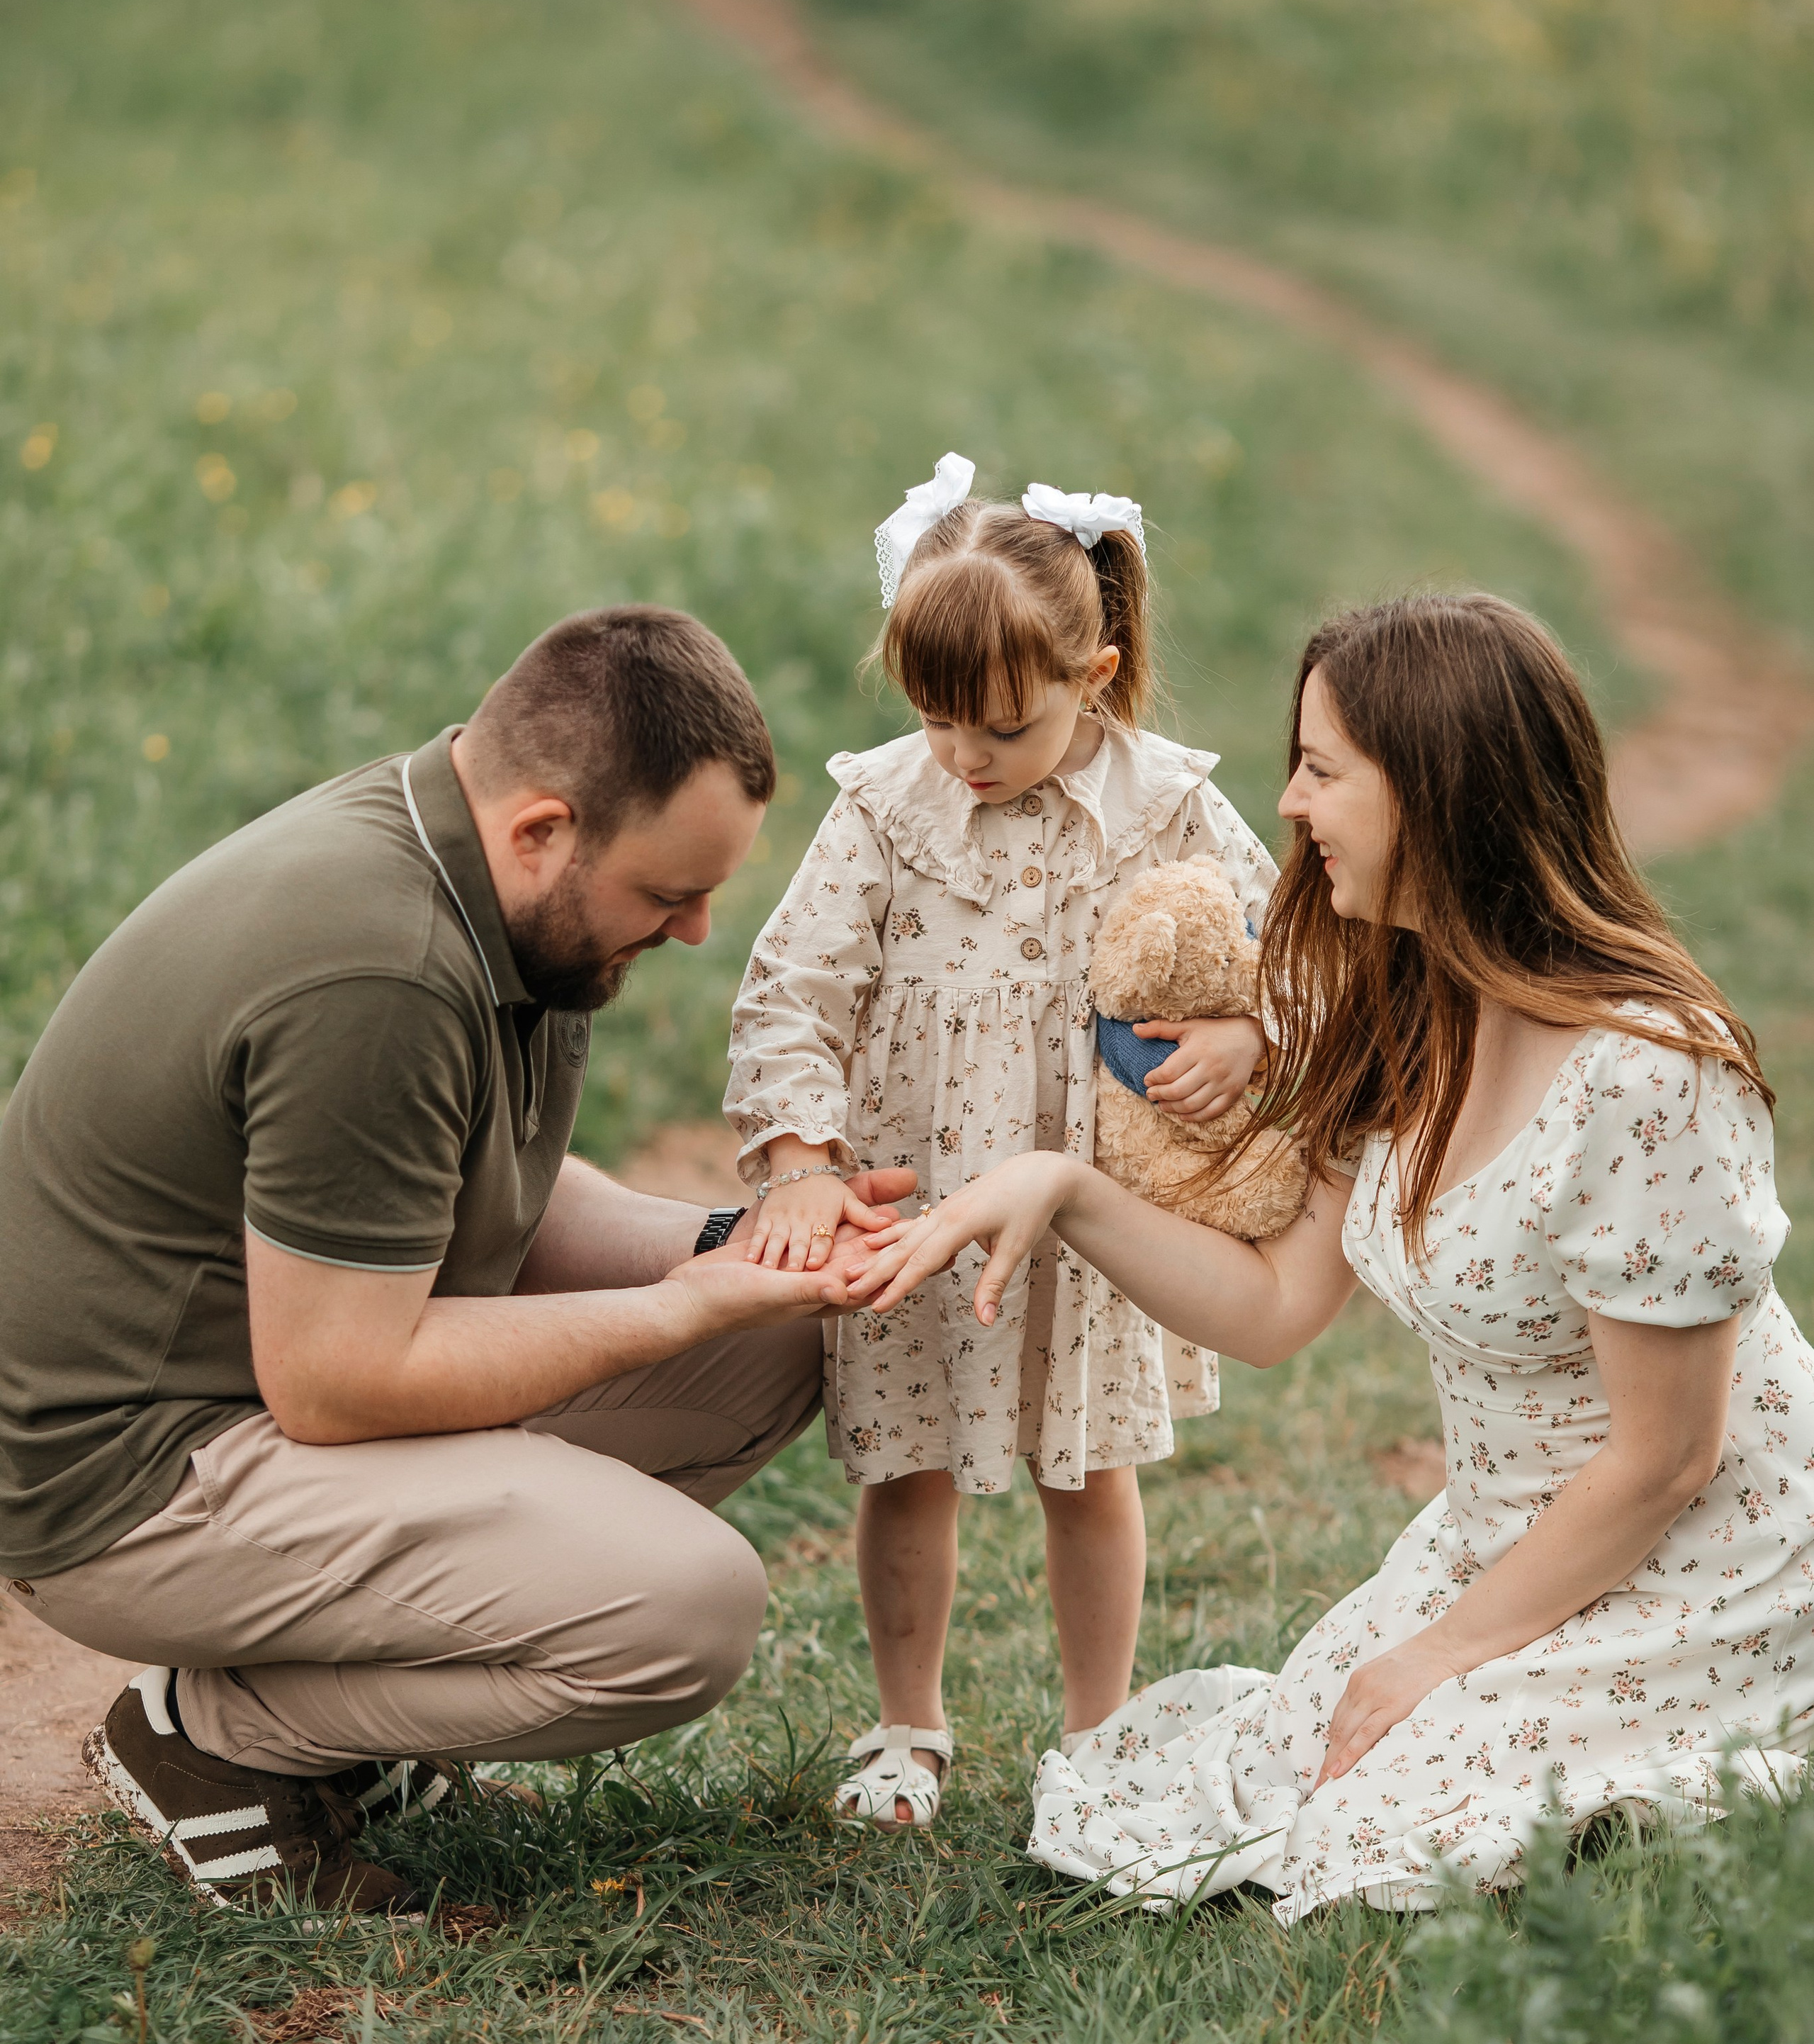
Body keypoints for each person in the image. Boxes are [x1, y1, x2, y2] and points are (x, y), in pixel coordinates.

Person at [846, 590, 1814, 1922]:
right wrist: (1064, 1190)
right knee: (1262, 1784)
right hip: (1501, 1537)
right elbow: (1274, 1309)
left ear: (1438, 792)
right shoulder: (1402, 1010)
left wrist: (1438, 1657)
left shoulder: (1649, 1074)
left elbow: (1666, 1459)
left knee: (1397, 1820)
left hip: (1707, 1560)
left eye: (1320, 770)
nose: (1290, 806)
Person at [0, 606, 908, 1915]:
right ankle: (217, 1740)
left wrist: (745, 1252)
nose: (701, 930)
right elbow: (337, 1379)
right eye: (668, 894)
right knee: (684, 1612)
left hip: (263, 1391)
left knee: (774, 1335)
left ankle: (340, 1713)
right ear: (544, 829)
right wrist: (670, 1310)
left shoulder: (492, 886)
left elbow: (492, 1204)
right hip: (122, 1481)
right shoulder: (379, 972)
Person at [723, 454, 1277, 1828]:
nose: (963, 756)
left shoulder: (1167, 804)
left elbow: (1293, 946)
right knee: (905, 1468)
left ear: (1092, 674)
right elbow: (791, 988)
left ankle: (1100, 1732)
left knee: (1086, 1470)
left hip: (1090, 1205)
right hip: (922, 1198)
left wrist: (1252, 1035)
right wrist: (800, 1158)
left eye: (1000, 728)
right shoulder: (885, 808)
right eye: (933, 719)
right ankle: (905, 1727)